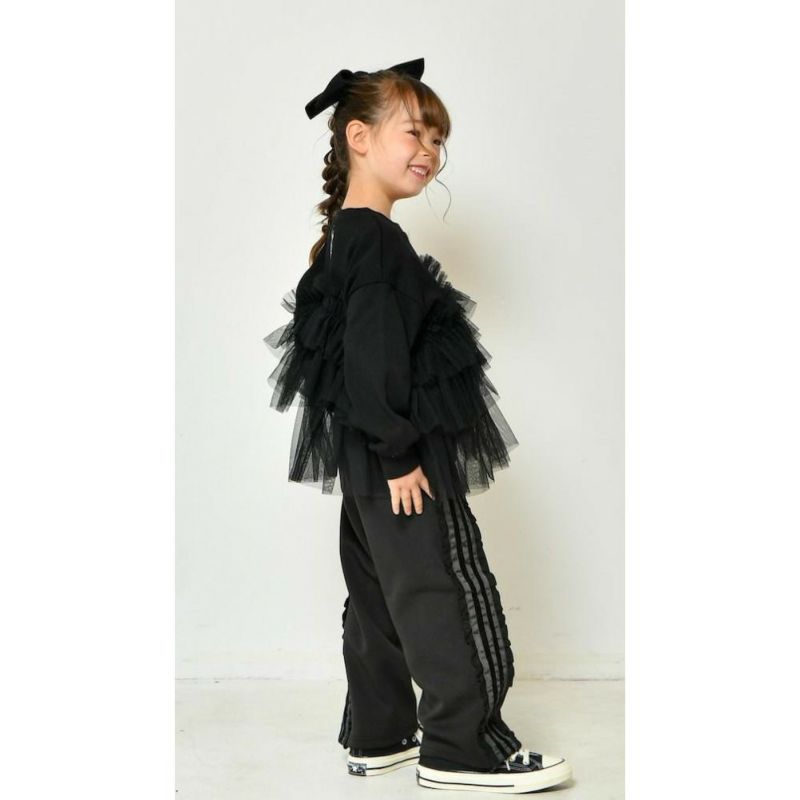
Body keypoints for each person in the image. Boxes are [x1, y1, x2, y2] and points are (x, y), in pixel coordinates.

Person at [263, 57, 573, 794]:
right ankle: (461, 748)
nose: (430, 150)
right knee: (444, 585)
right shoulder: (374, 241)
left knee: (377, 596)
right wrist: (400, 452)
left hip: (365, 460)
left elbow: (348, 360)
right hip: (398, 454)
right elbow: (372, 359)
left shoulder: (349, 236)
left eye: (438, 138)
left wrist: (379, 450)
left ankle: (383, 734)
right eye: (415, 132)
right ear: (359, 137)